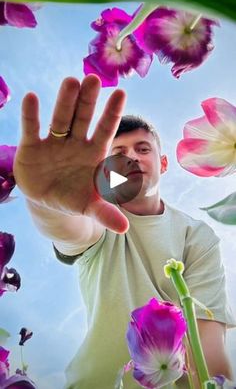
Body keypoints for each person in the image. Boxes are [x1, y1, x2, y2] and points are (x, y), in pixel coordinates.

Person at [13, 74, 236, 389]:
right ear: (106, 170)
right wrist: (45, 202)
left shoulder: (196, 235)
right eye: (119, 152)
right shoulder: (100, 219)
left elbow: (208, 345)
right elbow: (70, 229)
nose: (131, 157)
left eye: (142, 149)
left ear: (163, 163)